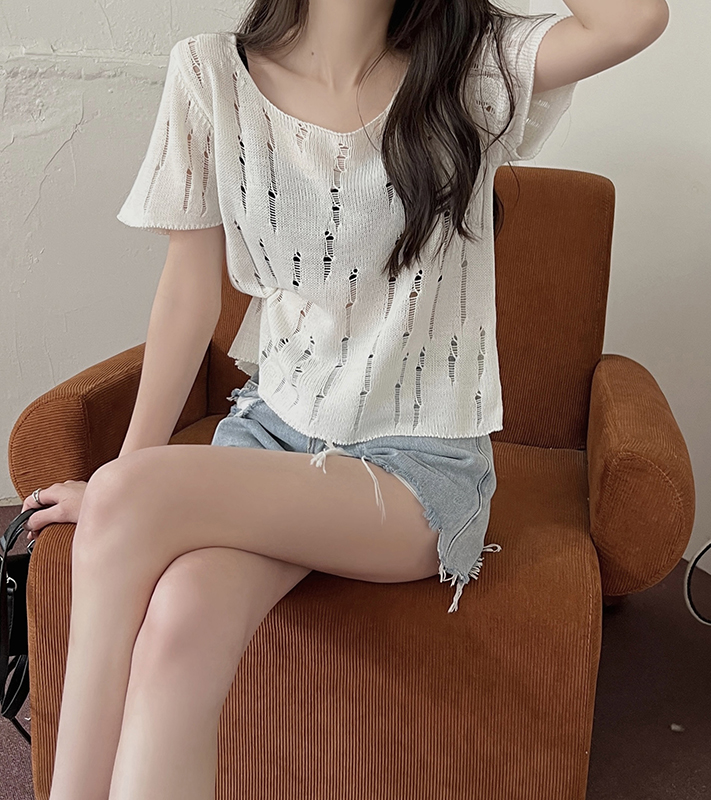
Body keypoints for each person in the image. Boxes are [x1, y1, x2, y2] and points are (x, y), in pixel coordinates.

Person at [21, 0, 669, 797]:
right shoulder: (209, 74)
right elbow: (188, 297)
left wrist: (123, 487)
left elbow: (632, 21)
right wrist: (129, 475)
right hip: (272, 436)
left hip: (415, 471)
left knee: (126, 495)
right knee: (180, 623)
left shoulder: (469, 71)